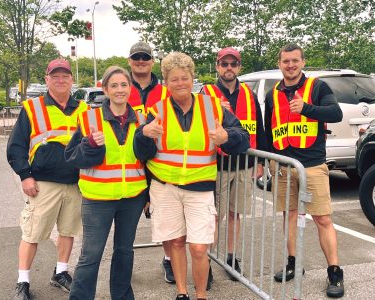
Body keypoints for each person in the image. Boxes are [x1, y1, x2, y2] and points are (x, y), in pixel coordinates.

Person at [134, 52, 250, 300]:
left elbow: (243, 137)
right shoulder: (157, 110)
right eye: (173, 79)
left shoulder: (212, 107)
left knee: (198, 248)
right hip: (165, 187)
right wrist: (144, 134)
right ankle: (182, 292)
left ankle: (201, 295)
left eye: (184, 78)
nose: (180, 83)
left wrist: (227, 138)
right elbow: (140, 151)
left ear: (192, 78)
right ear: (166, 82)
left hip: (200, 187)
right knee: (176, 243)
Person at [264, 44, 344, 298]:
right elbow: (268, 128)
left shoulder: (317, 87)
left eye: (295, 61)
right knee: (289, 215)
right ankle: (293, 264)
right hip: (284, 167)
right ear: (280, 64)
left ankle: (334, 272)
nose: (290, 65)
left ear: (302, 62)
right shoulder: (272, 93)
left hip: (312, 165)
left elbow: (336, 113)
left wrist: (307, 109)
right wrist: (268, 160)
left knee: (322, 219)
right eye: (286, 61)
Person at [7, 58, 89, 300]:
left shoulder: (84, 109)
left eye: (65, 76)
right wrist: (25, 175)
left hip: (75, 183)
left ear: (72, 79)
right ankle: (23, 281)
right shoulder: (32, 108)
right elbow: (16, 146)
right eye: (55, 76)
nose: (61, 80)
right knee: (32, 233)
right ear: (47, 80)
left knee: (68, 231)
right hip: (42, 184)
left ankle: (61, 272)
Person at [65, 66, 148, 300]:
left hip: (132, 197)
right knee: (91, 254)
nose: (120, 90)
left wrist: (149, 195)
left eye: (124, 85)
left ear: (130, 88)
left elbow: (148, 158)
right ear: (105, 89)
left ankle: (122, 296)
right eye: (114, 85)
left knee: (124, 252)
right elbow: (72, 158)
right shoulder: (89, 118)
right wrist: (89, 144)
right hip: (97, 199)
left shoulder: (142, 119)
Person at [202, 47, 266, 280]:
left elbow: (258, 129)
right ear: (217, 66)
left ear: (239, 67)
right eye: (224, 64)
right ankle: (206, 261)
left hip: (243, 164)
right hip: (215, 164)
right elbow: (197, 127)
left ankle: (231, 258)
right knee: (213, 216)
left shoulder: (248, 93)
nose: (229, 68)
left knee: (235, 213)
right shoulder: (206, 92)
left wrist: (259, 162)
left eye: (233, 64)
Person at [127, 41, 175, 284]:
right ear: (130, 61)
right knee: (127, 217)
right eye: (136, 57)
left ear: (152, 61)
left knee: (164, 216)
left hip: (159, 160)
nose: (141, 61)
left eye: (145, 56)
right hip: (128, 161)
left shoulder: (166, 90)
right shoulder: (122, 87)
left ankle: (168, 260)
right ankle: (124, 260)